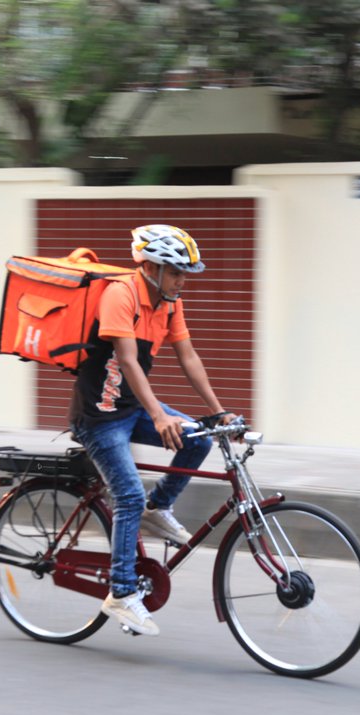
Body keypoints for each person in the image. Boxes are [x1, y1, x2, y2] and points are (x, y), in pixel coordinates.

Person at [70, 224, 237, 636]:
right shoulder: (120, 295)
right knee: (128, 494)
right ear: (150, 267)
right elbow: (127, 360)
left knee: (197, 437)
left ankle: (158, 508)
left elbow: (188, 356)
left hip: (131, 408)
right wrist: (160, 416)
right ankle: (122, 593)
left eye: (184, 273)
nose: (183, 281)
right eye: (176, 272)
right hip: (99, 417)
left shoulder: (170, 302)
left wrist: (218, 413)